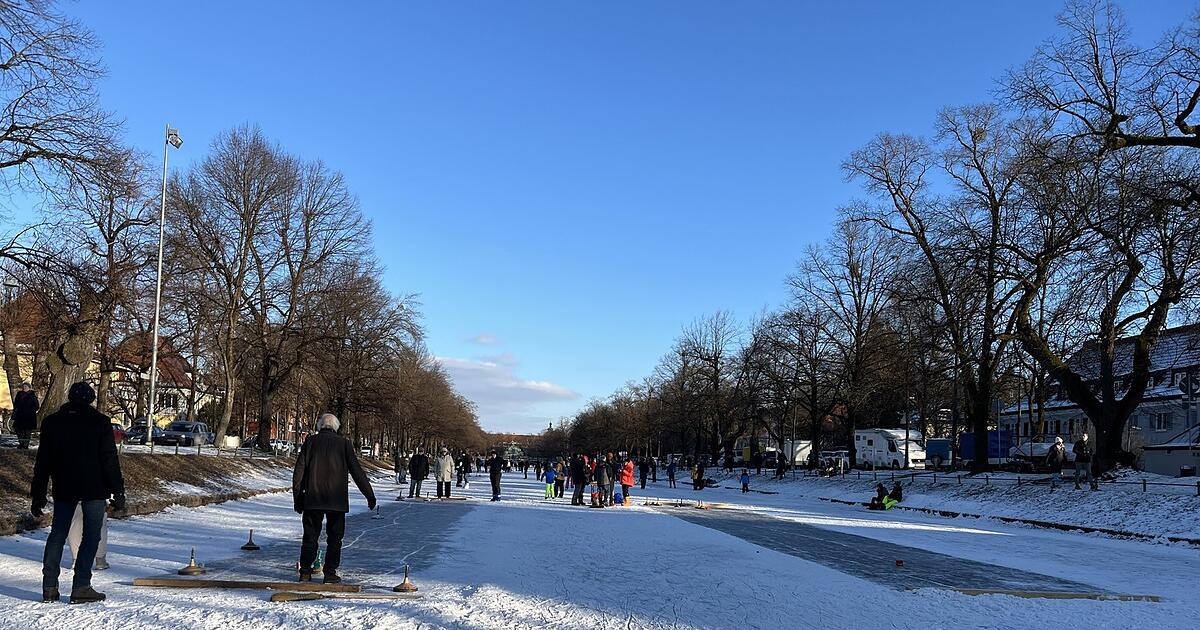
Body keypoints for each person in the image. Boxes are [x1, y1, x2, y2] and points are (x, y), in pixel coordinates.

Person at [31, 382, 125, 604]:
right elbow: (109, 459)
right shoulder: (100, 422)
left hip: (64, 486)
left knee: (58, 534)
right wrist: (118, 491)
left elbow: (42, 462)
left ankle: (49, 587)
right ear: (91, 399)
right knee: (91, 535)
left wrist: (38, 494)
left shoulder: (52, 422)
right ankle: (81, 585)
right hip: (94, 487)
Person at [292, 413, 375, 584]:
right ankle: (330, 572)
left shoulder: (310, 442)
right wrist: (369, 495)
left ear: (320, 426)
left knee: (310, 537)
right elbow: (357, 472)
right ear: (336, 427)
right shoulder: (344, 444)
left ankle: (305, 572)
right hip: (336, 501)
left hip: (312, 499)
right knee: (335, 538)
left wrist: (298, 498)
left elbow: (298, 472)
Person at [13, 382, 38, 449]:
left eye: (26, 387)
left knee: (27, 431)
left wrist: (29, 411)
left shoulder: (32, 395)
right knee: (18, 429)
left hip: (29, 416)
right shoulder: (19, 394)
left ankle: (25, 445)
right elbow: (16, 404)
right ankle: (21, 443)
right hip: (20, 416)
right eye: (23, 386)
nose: (24, 388)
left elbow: (36, 406)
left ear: (29, 388)